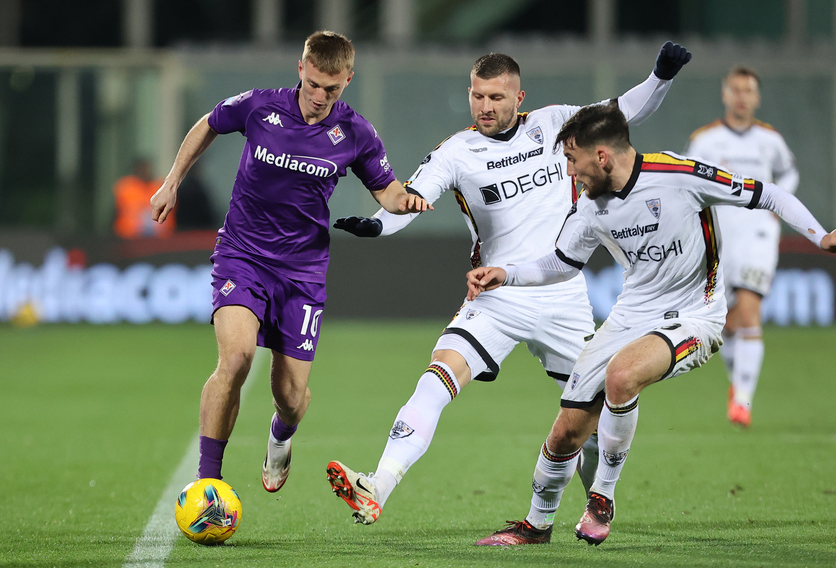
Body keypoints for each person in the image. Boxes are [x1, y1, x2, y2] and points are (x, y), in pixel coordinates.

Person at [325, 42, 692, 542]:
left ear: (521, 97)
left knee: (587, 419)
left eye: (496, 97)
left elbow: (626, 110)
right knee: (436, 379)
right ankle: (378, 486)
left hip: (562, 295)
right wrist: (375, 226)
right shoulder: (458, 152)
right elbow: (413, 198)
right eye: (477, 96)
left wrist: (662, 75)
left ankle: (597, 505)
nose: (485, 107)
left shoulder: (558, 124)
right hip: (497, 295)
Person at [467, 102, 836, 546]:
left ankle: (601, 496)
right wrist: (506, 274)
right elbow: (562, 263)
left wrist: (821, 235)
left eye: (571, 159)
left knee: (622, 377)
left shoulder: (679, 175)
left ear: (601, 156)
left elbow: (769, 193)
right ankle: (536, 525)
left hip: (695, 315)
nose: (569, 172)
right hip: (630, 315)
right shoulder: (589, 207)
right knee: (566, 431)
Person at [149, 31, 430, 494]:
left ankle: (281, 436)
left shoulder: (355, 133)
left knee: (291, 397)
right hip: (243, 255)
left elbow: (388, 190)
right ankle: (207, 484)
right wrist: (172, 180)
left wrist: (406, 203)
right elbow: (208, 123)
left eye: (332, 89)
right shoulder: (260, 107)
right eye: (313, 83)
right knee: (235, 358)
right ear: (301, 68)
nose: (319, 97)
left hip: (302, 273)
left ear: (348, 80)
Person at [685, 67, 799, 428]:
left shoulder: (770, 140)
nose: (741, 96)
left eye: (748, 90)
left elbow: (789, 172)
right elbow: (688, 179)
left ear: (756, 97)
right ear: (724, 94)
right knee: (728, 322)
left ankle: (743, 403)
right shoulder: (705, 140)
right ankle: (738, 386)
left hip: (757, 235)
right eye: (735, 89)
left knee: (749, 312)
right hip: (719, 235)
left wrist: (778, 207)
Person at [114, 158, 174, 238]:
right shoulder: (126, 188)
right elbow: (117, 212)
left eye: (147, 169)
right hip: (130, 238)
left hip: (160, 239)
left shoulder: (161, 187)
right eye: (141, 169)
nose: (145, 172)